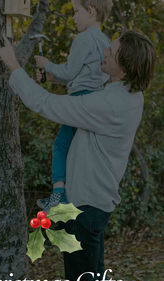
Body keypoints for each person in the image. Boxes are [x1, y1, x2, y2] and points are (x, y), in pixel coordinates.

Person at [0, 30, 155, 281]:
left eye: (111, 53)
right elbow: (77, 93)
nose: (104, 53)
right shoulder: (124, 95)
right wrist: (56, 73)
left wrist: (14, 67)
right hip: (94, 204)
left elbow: (49, 106)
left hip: (86, 208)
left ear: (125, 66)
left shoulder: (111, 104)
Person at [35, 0, 112, 213]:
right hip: (95, 100)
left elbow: (69, 72)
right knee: (80, 152)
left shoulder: (84, 38)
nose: (74, 17)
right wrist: (50, 77)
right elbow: (81, 75)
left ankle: (60, 196)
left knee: (61, 146)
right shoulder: (105, 42)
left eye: (76, 12)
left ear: (91, 11)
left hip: (79, 100)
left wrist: (46, 64)